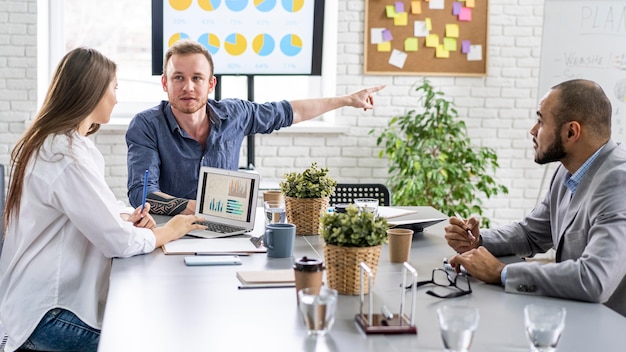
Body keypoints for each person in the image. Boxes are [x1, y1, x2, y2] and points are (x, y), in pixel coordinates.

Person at [0, 47, 206, 352]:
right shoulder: (63, 154)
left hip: (45, 306)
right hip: (48, 314)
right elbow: (117, 243)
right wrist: (169, 231)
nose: (116, 98)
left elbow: (95, 214)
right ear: (91, 91)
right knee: (158, 340)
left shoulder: (65, 144)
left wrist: (125, 219)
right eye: (114, 88)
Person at [126, 39, 386, 216]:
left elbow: (289, 111)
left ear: (210, 84)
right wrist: (202, 208)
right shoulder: (147, 125)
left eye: (197, 78)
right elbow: (141, 193)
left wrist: (346, 100)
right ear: (164, 83)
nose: (188, 87)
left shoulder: (236, 114)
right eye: (178, 78)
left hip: (225, 232)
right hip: (170, 233)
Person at [444, 79, 626, 316]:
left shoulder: (618, 182)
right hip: (576, 315)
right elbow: (531, 234)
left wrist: (501, 272)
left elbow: (594, 279)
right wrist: (477, 240)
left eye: (541, 121)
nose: (533, 130)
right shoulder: (567, 171)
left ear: (571, 132)